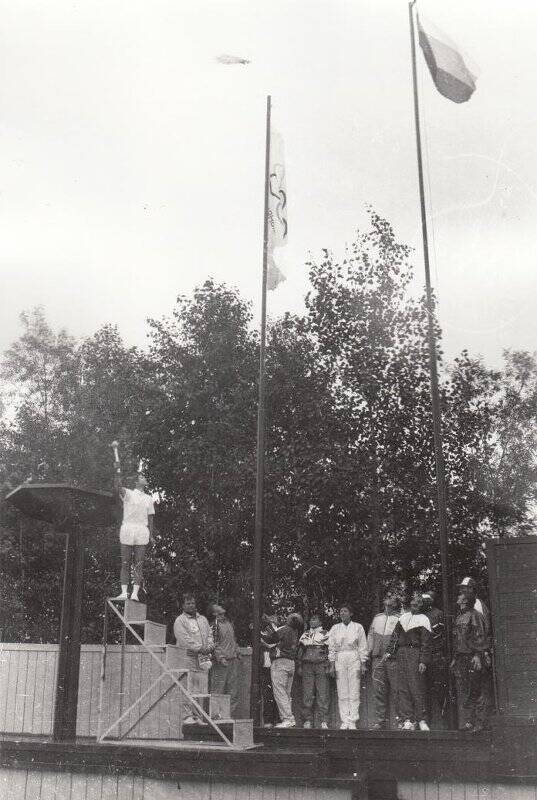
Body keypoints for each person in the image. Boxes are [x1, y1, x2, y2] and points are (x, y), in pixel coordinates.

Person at [386, 592, 432, 731]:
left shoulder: (424, 619)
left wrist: (423, 660)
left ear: (422, 605)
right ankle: (407, 719)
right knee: (403, 687)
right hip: (401, 653)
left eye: (418, 603)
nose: (415, 605)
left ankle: (421, 719)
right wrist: (389, 651)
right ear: (410, 603)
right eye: (413, 602)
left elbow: (426, 642)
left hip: (415, 653)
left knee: (416, 687)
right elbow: (394, 637)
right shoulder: (403, 618)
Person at [112, 458, 154, 602]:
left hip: (142, 531)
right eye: (142, 477)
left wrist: (152, 535)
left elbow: (150, 518)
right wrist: (116, 471)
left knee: (139, 563)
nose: (144, 478)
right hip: (128, 528)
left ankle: (135, 593)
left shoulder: (149, 498)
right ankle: (124, 592)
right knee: (125, 562)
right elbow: (118, 487)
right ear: (136, 482)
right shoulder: (128, 493)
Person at [173, 593, 214, 724]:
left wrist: (209, 647)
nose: (191, 605)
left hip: (202, 658)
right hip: (188, 657)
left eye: (193, 603)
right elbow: (184, 639)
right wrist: (199, 648)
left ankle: (198, 717)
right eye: (188, 603)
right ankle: (187, 716)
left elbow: (210, 634)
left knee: (200, 688)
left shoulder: (203, 619)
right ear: (183, 605)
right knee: (187, 687)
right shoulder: (180, 620)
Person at [451, 592, 488, 732]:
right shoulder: (459, 616)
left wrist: (478, 655)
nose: (457, 598)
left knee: (476, 689)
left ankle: (480, 723)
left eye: (459, 597)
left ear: (465, 600)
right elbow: (457, 639)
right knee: (466, 690)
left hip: (473, 657)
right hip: (461, 658)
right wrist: (455, 658)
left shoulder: (475, 615)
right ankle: (469, 722)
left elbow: (479, 636)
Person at [328, 603, 368, 730]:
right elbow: (332, 648)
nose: (342, 613)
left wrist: (363, 664)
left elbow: (363, 646)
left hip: (354, 659)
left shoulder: (358, 627)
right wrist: (332, 665)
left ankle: (352, 721)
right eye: (341, 611)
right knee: (342, 690)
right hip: (340, 659)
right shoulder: (335, 628)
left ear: (351, 613)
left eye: (345, 611)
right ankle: (344, 720)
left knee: (354, 689)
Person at [262, 612, 303, 729]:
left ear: (291, 620)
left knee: (280, 692)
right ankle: (288, 718)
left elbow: (271, 638)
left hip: (280, 662)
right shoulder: (296, 632)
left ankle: (288, 719)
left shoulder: (285, 629)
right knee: (286, 692)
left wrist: (262, 632)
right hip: (291, 663)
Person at [367, 592, 400, 730]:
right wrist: (368, 654)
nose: (387, 607)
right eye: (386, 604)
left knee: (397, 689)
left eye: (390, 605)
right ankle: (380, 721)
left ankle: (400, 720)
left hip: (393, 659)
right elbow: (370, 636)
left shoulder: (400, 618)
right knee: (378, 689)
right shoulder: (377, 618)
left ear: (395, 605)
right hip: (377, 658)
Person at [297, 613, 330, 730]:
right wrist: (300, 665)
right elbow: (300, 651)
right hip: (307, 666)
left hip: (321, 665)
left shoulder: (326, 633)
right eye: (311, 619)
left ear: (320, 622)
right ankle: (307, 721)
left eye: (315, 619)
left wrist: (327, 665)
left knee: (322, 693)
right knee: (307, 693)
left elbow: (329, 651)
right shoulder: (305, 634)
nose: (312, 621)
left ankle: (323, 720)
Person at [209, 603, 240, 718]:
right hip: (221, 662)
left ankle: (228, 716)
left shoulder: (229, 623)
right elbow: (213, 644)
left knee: (233, 691)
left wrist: (237, 652)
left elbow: (234, 640)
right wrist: (220, 657)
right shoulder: (214, 625)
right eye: (218, 608)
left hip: (232, 660)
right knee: (218, 690)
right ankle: (216, 717)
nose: (222, 609)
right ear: (214, 612)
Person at [422, 591, 447, 722]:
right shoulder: (420, 615)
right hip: (423, 656)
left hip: (436, 655)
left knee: (438, 687)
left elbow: (441, 636)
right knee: (424, 688)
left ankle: (441, 719)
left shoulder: (438, 614)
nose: (425, 601)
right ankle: (426, 719)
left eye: (428, 599)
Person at [260, 614, 279, 727]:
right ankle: (267, 720)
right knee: (267, 694)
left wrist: (270, 626)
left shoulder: (278, 630)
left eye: (274, 618)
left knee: (277, 693)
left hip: (276, 665)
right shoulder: (261, 630)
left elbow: (276, 639)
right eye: (269, 618)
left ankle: (277, 719)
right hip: (264, 666)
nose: (272, 619)